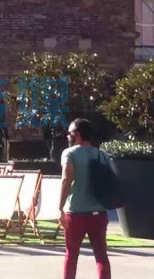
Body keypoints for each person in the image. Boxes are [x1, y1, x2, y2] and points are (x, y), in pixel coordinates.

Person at [60, 118, 111, 279]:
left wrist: (59, 208)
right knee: (101, 255)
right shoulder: (103, 155)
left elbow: (66, 180)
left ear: (78, 134)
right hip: (99, 212)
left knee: (71, 254)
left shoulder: (70, 153)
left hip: (75, 212)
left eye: (70, 133)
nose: (68, 136)